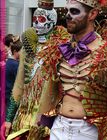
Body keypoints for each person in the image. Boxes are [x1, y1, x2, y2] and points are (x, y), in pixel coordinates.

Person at [37, 0, 107, 139]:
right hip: (58, 128)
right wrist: (38, 128)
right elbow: (47, 95)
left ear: (92, 14)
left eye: (75, 11)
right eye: (67, 11)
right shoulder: (59, 50)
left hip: (90, 132)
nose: (68, 15)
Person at [3, 0, 70, 139]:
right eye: (34, 19)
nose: (36, 23)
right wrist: (9, 118)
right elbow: (18, 86)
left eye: (41, 19)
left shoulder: (62, 49)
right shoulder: (27, 49)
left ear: (52, 21)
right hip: (22, 117)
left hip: (46, 119)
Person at [5, 41, 22, 111]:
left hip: (6, 93)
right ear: (15, 51)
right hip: (11, 95)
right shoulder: (15, 65)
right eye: (21, 52)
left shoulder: (8, 61)